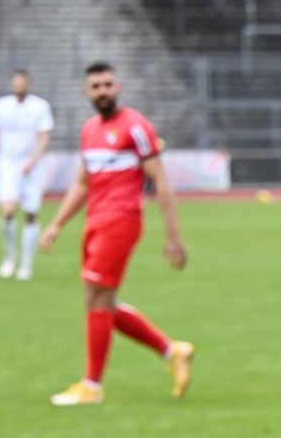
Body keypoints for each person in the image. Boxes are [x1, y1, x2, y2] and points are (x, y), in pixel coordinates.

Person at [36, 62, 194, 408]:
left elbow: (162, 182)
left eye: (108, 84)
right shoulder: (90, 130)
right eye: (96, 86)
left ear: (118, 86)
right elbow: (82, 183)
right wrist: (57, 224)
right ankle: (173, 351)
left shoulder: (135, 126)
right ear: (86, 92)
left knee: (96, 297)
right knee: (100, 301)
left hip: (121, 221)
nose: (103, 91)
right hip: (95, 221)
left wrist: (173, 236)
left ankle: (92, 385)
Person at [0, 69, 53, 282]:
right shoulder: (1, 106)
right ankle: (10, 256)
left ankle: (26, 263)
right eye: (16, 84)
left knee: (31, 213)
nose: (19, 87)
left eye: (23, 84)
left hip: (31, 166)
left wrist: (33, 160)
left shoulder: (40, 107)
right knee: (8, 210)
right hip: (8, 165)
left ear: (28, 85)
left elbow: (44, 136)